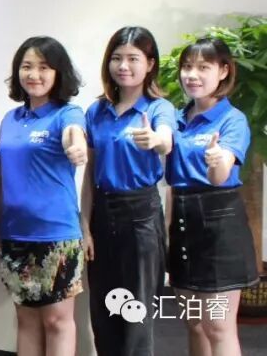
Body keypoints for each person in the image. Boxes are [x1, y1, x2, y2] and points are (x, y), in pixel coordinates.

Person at [0, 36, 87, 356]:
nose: (34, 74)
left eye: (44, 67)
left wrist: (77, 147)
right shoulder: (10, 119)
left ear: (58, 73)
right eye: (27, 66)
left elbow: (74, 135)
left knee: (58, 322)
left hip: (56, 236)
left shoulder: (67, 114)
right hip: (14, 236)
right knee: (26, 320)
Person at [81, 27, 174, 356]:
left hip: (140, 217)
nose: (123, 66)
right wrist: (84, 227)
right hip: (102, 215)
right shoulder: (96, 111)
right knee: (104, 312)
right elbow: (90, 173)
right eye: (117, 58)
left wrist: (156, 140)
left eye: (133, 59)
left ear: (150, 64)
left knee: (136, 314)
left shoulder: (158, 109)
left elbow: (165, 139)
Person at [167, 37, 257, 356]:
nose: (192, 75)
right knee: (193, 322)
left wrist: (217, 160)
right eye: (187, 67)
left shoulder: (233, 120)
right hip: (182, 221)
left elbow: (220, 176)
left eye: (203, 67)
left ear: (223, 71)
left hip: (219, 225)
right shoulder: (176, 118)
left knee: (218, 325)